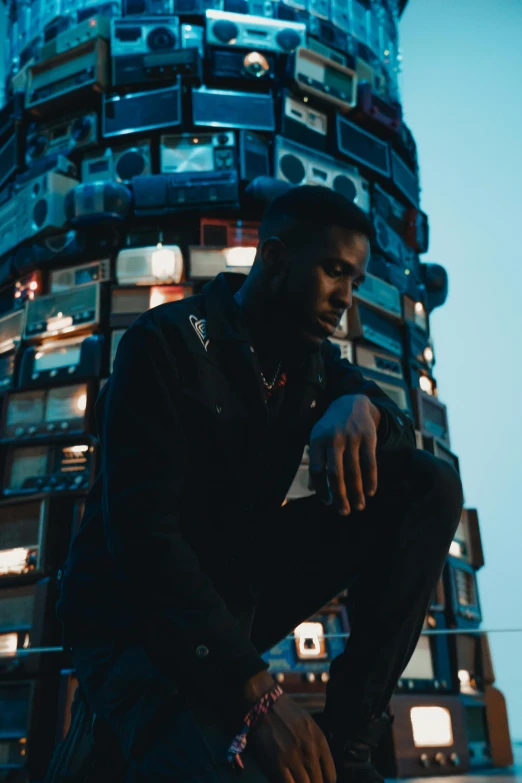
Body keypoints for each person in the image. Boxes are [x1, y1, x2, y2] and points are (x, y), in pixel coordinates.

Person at [52, 185, 464, 783]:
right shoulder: (165, 342)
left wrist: (359, 405)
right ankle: (111, 724)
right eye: (334, 273)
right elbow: (146, 543)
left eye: (354, 282)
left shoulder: (314, 364)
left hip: (231, 586)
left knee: (429, 484)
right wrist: (261, 699)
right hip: (132, 616)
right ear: (272, 258)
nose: (346, 299)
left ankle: (347, 742)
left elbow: (400, 431)